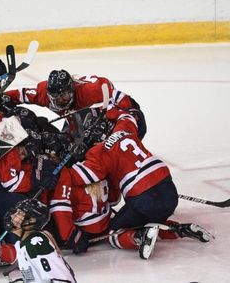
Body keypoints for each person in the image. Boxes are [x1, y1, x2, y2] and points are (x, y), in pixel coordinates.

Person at [64, 110, 212, 259]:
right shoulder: (124, 129)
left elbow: (77, 177)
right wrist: (109, 113)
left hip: (143, 198)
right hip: (169, 190)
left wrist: (60, 164)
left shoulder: (99, 152)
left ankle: (139, 238)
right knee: (151, 219)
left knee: (114, 232)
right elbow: (126, 115)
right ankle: (178, 229)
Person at [5, 69, 147, 139]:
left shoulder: (92, 90)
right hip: (79, 120)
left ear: (72, 89)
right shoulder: (43, 93)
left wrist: (130, 121)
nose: (61, 101)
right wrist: (1, 97)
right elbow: (20, 94)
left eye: (64, 96)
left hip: (111, 119)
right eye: (56, 98)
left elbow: (124, 102)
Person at [2, 199, 77, 283]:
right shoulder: (24, 242)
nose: (13, 216)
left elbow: (60, 279)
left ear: (31, 221)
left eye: (19, 213)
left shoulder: (36, 243)